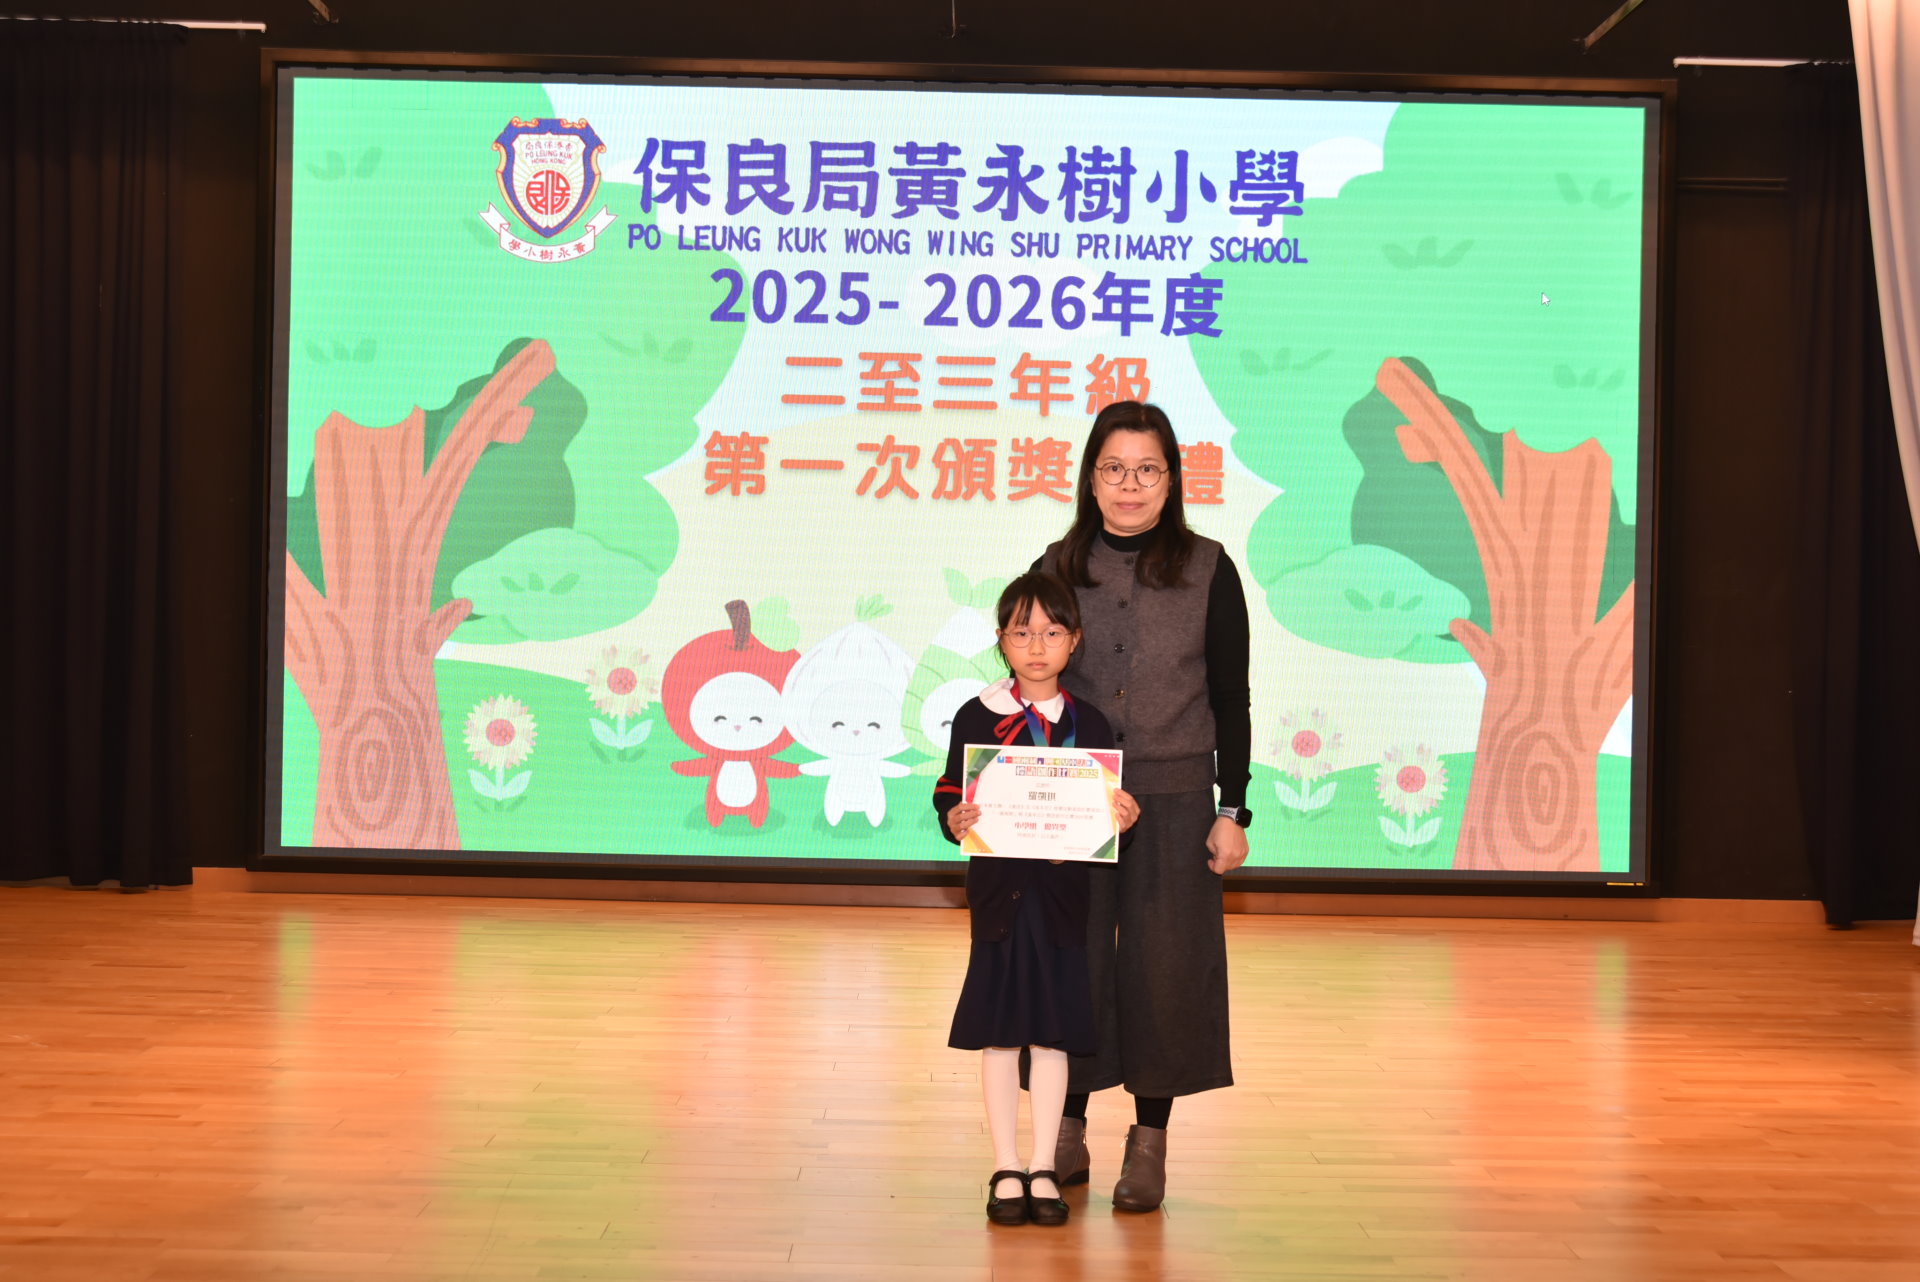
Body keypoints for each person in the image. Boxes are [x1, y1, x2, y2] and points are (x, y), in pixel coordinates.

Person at [1033, 400, 1252, 1213]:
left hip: (1176, 795)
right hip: (1076, 796)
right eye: (1115, 469)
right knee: (1072, 961)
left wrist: (1236, 807)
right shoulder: (1058, 565)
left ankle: (1149, 1140)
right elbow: (1031, 680)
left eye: (1148, 470)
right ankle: (1065, 1129)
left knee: (1166, 967)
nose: (1131, 486)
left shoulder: (1209, 567)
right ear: (1091, 479)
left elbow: (1231, 697)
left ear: (1172, 479)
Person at [935, 572, 1140, 1227]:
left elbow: (1102, 811)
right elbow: (949, 791)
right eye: (1022, 633)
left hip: (1062, 905)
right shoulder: (977, 715)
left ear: (1074, 641)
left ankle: (1045, 1166)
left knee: (1053, 1037)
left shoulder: (1090, 721)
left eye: (1052, 633)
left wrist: (1121, 819)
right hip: (999, 901)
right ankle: (1005, 1165)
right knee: (1000, 1036)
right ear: (1001, 640)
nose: (1036, 647)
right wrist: (954, 819)